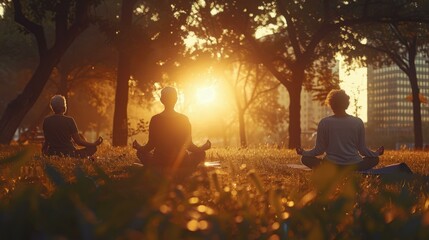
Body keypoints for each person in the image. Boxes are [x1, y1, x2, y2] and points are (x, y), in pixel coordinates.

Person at [296, 89, 384, 171]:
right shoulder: (358, 122)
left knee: (304, 158)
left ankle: (333, 171)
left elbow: (319, 150)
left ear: (331, 104)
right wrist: (376, 154)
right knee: (374, 160)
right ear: (347, 103)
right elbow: (362, 149)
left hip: (331, 166)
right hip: (353, 165)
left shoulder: (325, 122)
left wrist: (304, 152)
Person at [133, 87, 211, 175]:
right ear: (176, 100)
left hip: (159, 161)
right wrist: (202, 148)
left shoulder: (155, 119)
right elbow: (190, 146)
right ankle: (182, 168)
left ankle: (157, 167)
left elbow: (151, 145)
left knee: (140, 153)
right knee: (201, 154)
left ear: (162, 100)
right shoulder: (184, 119)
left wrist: (139, 148)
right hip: (181, 162)